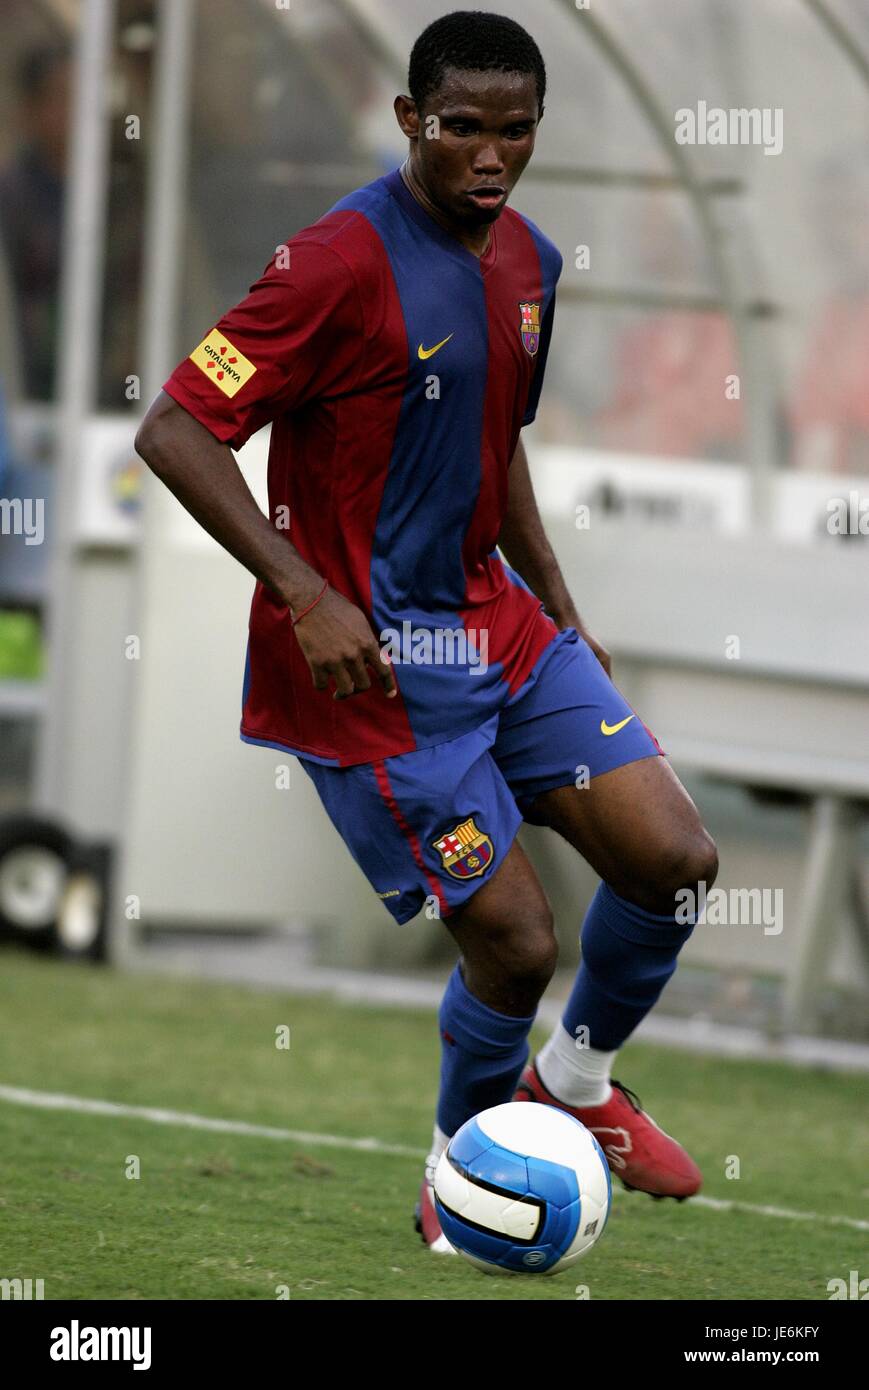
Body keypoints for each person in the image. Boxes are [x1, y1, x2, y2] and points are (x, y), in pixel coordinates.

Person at [135, 10, 718, 1254]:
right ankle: (456, 1172)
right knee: (514, 942)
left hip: (498, 633)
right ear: (410, 121)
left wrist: (560, 610)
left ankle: (574, 1085)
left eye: (515, 131)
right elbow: (176, 429)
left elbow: (492, 439)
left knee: (673, 862)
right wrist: (302, 589)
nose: (490, 156)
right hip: (373, 674)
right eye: (462, 129)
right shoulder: (331, 263)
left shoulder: (532, 265)